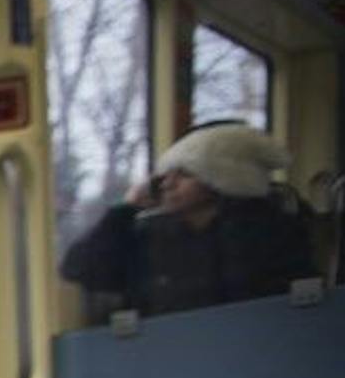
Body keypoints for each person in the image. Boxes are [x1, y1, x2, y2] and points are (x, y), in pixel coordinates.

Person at [59, 120, 316, 317]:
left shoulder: (271, 233)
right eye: (166, 175)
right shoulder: (149, 235)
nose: (168, 184)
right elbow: (80, 269)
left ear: (221, 179)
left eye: (185, 174)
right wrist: (125, 209)